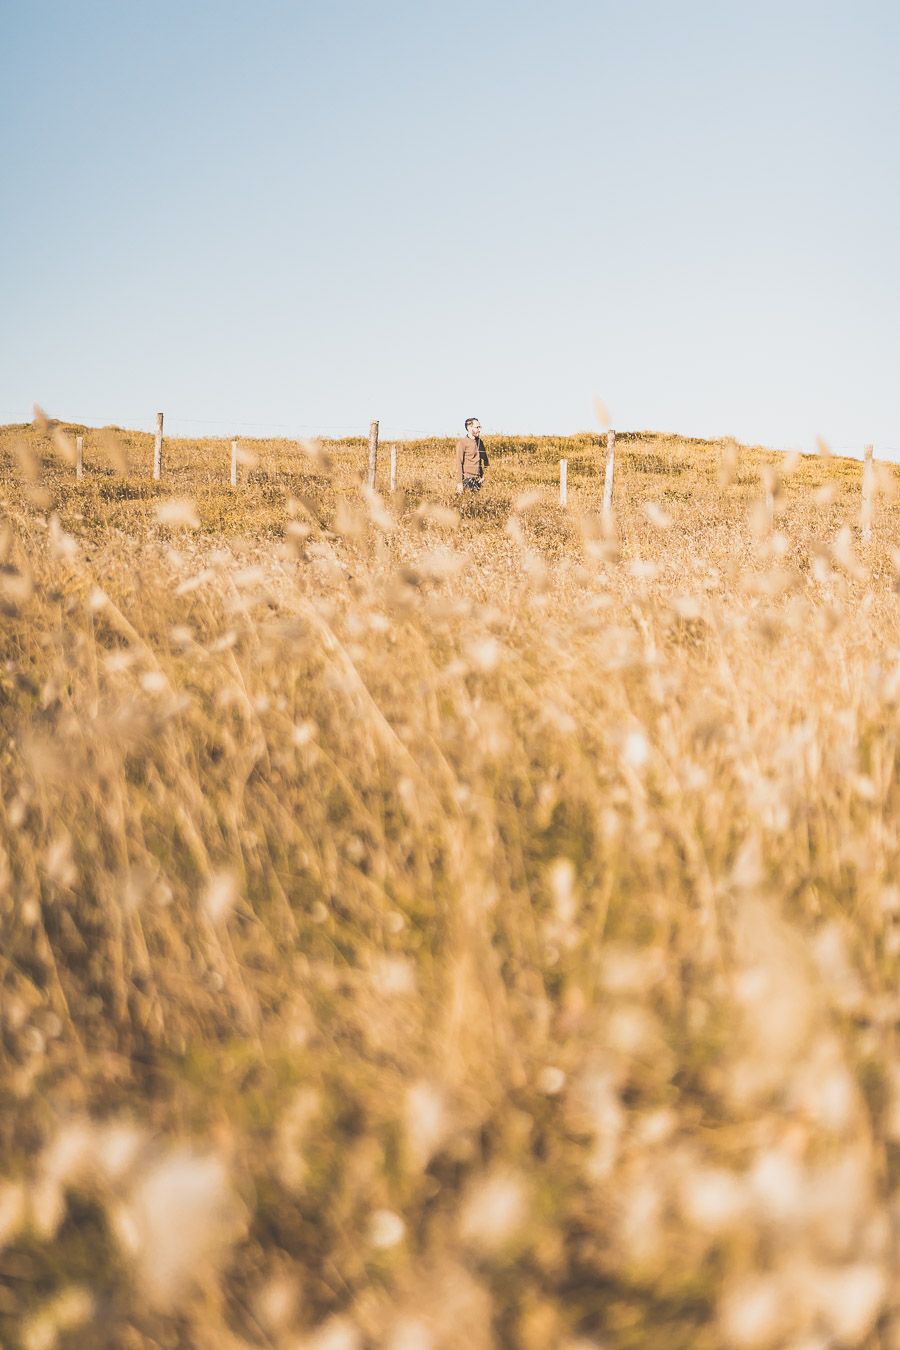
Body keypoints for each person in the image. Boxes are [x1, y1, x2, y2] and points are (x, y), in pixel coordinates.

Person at [456, 417, 489, 493]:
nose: (479, 430)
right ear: (469, 428)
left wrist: (483, 476)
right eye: (477, 427)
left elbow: (484, 461)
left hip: (478, 480)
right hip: (467, 481)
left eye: (479, 427)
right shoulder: (462, 443)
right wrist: (459, 483)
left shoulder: (480, 442)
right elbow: (459, 463)